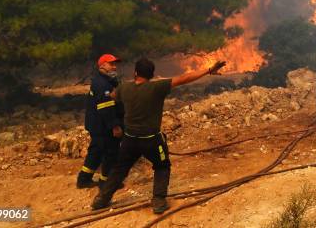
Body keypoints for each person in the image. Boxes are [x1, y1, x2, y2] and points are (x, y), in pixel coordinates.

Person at [91, 57, 226, 213]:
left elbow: (113, 96)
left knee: (120, 168)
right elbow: (184, 79)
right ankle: (158, 200)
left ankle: (102, 199)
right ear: (152, 75)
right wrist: (209, 70)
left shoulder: (124, 88)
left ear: (135, 73)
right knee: (162, 166)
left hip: (130, 140)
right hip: (151, 140)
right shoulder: (157, 87)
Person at [77, 54, 125, 188]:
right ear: (102, 65)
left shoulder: (107, 80)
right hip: (102, 126)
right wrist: (115, 126)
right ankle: (106, 182)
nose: (115, 66)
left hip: (99, 125)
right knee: (111, 151)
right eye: (111, 64)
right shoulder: (102, 84)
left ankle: (84, 179)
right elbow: (106, 108)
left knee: (96, 151)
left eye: (115, 64)